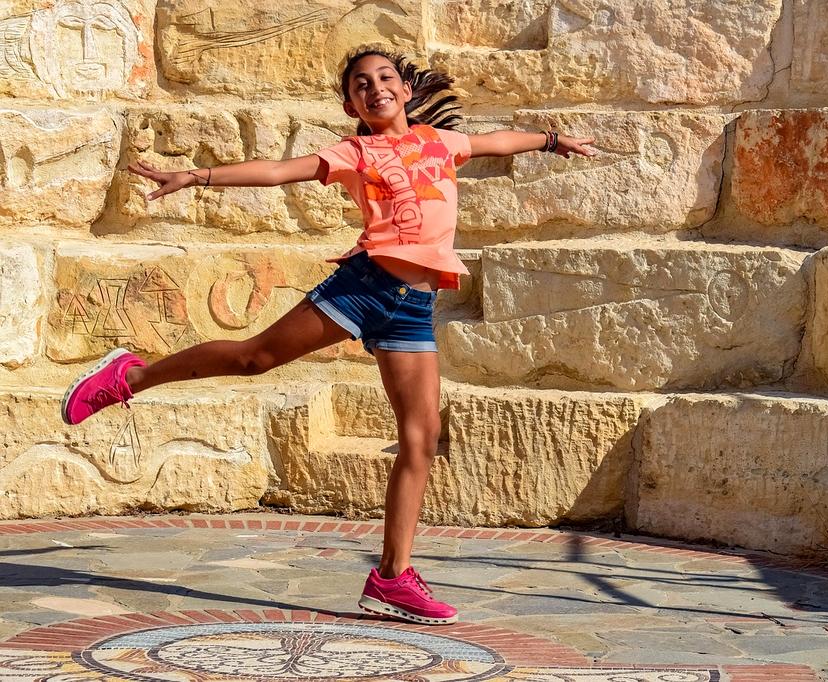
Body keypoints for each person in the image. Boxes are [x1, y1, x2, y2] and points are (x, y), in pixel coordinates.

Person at [59, 46, 596, 625]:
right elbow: (276, 171)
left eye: (384, 78)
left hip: (413, 309)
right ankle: (129, 376)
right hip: (362, 288)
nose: (375, 88)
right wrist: (196, 176)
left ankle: (391, 579)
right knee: (253, 359)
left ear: (406, 90)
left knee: (420, 439)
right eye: (361, 84)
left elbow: (498, 140)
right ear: (351, 104)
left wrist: (549, 140)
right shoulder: (354, 152)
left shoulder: (443, 145)